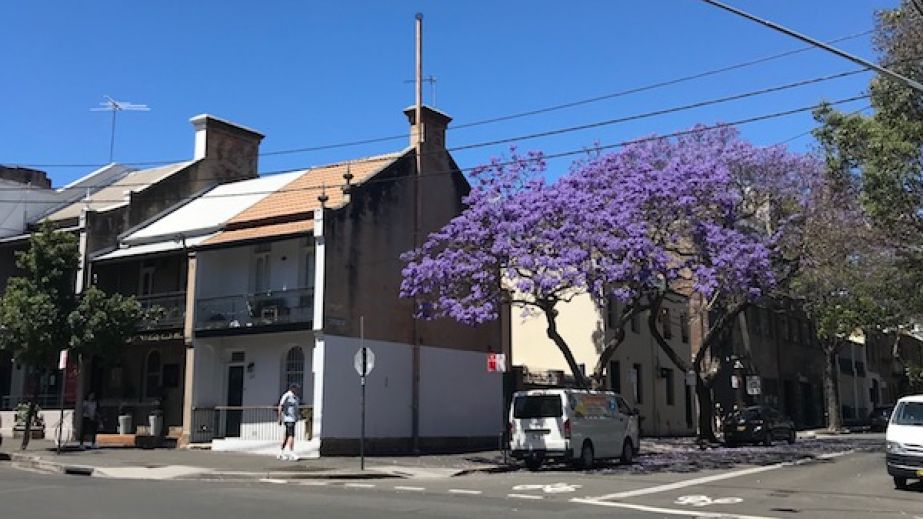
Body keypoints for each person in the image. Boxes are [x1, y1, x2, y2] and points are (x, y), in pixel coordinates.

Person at [277, 383, 300, 460]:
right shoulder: (287, 396)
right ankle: (291, 452)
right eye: (296, 389)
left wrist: (297, 417)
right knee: (291, 435)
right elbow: (280, 406)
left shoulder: (296, 398)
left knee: (287, 436)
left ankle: (281, 452)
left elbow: (296, 409)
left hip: (293, 419)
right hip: (288, 419)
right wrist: (280, 418)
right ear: (292, 389)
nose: (297, 391)